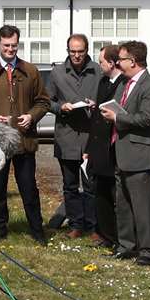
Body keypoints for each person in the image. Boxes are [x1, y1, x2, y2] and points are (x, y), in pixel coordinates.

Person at [0, 24, 51, 244]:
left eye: (14, 46)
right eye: (6, 46)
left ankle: (37, 230)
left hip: (24, 140)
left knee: (29, 188)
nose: (10, 50)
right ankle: (0, 230)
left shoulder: (30, 71)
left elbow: (43, 101)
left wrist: (32, 116)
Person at [101, 40, 150, 265]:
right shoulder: (124, 84)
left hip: (141, 156)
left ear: (133, 61)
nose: (118, 62)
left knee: (142, 206)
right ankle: (126, 245)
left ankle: (148, 250)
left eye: (122, 59)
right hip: (122, 152)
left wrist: (117, 117)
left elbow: (147, 118)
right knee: (124, 203)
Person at [49, 34, 103, 240]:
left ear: (87, 50)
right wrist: (60, 107)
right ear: (67, 50)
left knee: (91, 185)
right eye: (73, 51)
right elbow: (46, 101)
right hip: (67, 136)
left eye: (80, 51)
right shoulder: (57, 73)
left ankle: (93, 225)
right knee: (70, 185)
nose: (77, 55)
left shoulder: (97, 71)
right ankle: (75, 224)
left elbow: (106, 98)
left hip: (91, 137)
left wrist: (96, 105)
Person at [81, 44, 124, 251]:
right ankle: (106, 235)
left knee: (115, 196)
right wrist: (89, 148)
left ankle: (119, 238)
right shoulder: (103, 82)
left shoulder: (124, 84)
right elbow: (97, 119)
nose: (99, 66)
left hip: (113, 148)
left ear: (112, 62)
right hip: (99, 148)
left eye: (101, 62)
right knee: (101, 194)